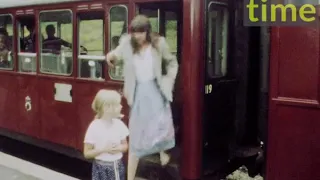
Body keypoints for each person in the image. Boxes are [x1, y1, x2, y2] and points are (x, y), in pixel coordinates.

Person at [106, 15, 178, 180]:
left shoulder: (159, 44)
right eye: (134, 32)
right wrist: (109, 57)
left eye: (140, 32)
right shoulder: (126, 43)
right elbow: (114, 55)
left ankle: (163, 152)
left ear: (147, 32)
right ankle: (130, 178)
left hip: (156, 89)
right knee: (136, 135)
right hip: (139, 92)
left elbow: (172, 63)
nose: (137, 36)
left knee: (162, 125)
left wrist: (169, 81)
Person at [83, 90, 129, 180]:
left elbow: (125, 146)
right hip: (99, 168)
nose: (121, 106)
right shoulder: (94, 127)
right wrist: (104, 149)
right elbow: (87, 153)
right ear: (107, 108)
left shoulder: (119, 125)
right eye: (118, 104)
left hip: (115, 166)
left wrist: (119, 148)